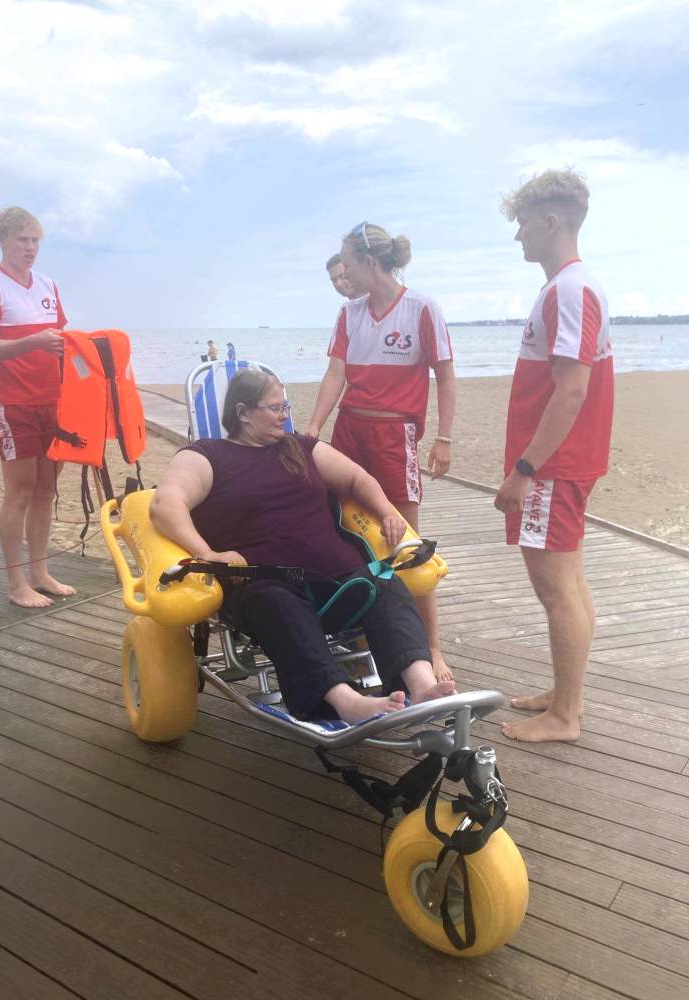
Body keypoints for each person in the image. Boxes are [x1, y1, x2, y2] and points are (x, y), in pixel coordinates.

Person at [150, 369, 456, 724]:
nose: (285, 414)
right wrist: (208, 554)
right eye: (274, 407)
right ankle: (345, 701)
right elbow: (165, 504)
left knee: (386, 584)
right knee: (280, 604)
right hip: (261, 585)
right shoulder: (207, 456)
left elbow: (357, 478)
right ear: (243, 413)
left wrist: (387, 511)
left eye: (286, 406)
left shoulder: (302, 447)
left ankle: (421, 686)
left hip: (336, 582)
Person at [306, 222, 456, 684]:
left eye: (348, 263)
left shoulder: (421, 307)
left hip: (396, 436)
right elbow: (337, 373)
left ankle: (431, 646)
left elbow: (445, 377)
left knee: (407, 541)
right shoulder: (349, 314)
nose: (344, 273)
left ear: (370, 263)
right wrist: (314, 427)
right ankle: (361, 627)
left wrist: (443, 438)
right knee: (346, 525)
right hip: (351, 429)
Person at [495, 169, 614, 743]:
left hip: (553, 468)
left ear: (551, 221)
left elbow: (572, 389)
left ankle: (565, 716)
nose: (517, 235)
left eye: (522, 223)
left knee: (556, 590)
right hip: (564, 464)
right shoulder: (570, 287)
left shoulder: (571, 288)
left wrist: (524, 470)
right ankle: (567, 695)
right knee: (572, 581)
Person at [0, 206, 76, 609]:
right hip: (14, 404)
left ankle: (40, 572)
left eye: (34, 240)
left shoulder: (47, 283)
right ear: (3, 241)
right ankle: (16, 583)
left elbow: (63, 341)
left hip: (53, 401)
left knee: (47, 490)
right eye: (22, 240)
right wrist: (33, 343)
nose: (30, 248)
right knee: (20, 491)